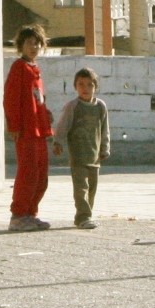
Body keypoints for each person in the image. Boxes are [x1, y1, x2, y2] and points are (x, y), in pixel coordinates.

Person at [4, 24, 54, 231]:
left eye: (37, 43)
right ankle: (18, 215)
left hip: (39, 130)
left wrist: (46, 115)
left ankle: (30, 213)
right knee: (28, 173)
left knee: (41, 176)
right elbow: (11, 99)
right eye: (29, 43)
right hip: (26, 130)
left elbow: (37, 99)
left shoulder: (35, 70)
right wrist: (14, 126)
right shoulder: (19, 68)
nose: (33, 47)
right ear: (21, 46)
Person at [51, 66, 110, 229]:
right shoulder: (73, 106)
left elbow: (104, 129)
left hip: (95, 156)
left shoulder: (100, 106)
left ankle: (82, 217)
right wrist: (57, 142)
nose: (85, 88)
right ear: (75, 86)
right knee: (81, 188)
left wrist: (105, 148)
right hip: (78, 156)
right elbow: (63, 125)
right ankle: (84, 216)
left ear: (95, 87)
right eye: (81, 84)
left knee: (92, 188)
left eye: (90, 84)